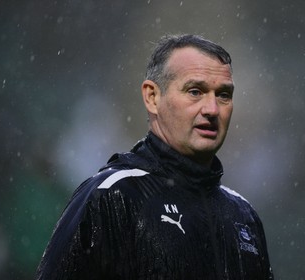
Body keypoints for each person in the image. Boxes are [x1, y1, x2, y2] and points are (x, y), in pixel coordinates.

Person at [36, 34, 273, 279]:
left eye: (223, 95)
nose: (212, 109)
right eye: (195, 91)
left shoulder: (244, 216)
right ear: (152, 97)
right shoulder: (112, 196)